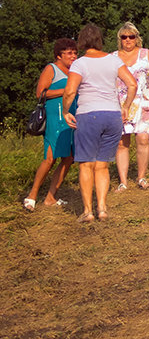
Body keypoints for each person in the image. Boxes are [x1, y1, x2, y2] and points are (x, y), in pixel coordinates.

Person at [63, 24, 138, 223]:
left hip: (89, 115)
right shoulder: (114, 60)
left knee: (86, 165)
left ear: (81, 42)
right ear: (99, 40)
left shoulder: (80, 64)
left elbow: (70, 91)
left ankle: (88, 211)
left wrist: (65, 111)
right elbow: (132, 83)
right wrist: (126, 107)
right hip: (112, 115)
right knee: (102, 165)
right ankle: (102, 208)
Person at [113, 22, 149, 191]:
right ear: (120, 39)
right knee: (122, 142)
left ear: (136, 38)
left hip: (143, 102)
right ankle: (123, 181)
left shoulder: (145, 54)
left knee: (143, 138)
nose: (127, 40)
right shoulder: (113, 57)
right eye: (124, 37)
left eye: (131, 36)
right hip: (122, 103)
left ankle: (141, 177)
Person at [23, 38, 79, 211]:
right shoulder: (51, 68)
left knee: (69, 158)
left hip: (72, 117)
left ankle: (51, 197)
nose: (73, 56)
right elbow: (40, 93)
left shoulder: (75, 71)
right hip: (56, 118)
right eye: (69, 53)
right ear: (58, 55)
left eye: (75, 52)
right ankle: (32, 196)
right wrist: (67, 90)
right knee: (50, 158)